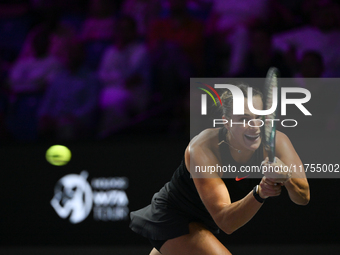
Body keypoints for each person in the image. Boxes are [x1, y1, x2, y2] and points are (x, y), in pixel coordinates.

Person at [130, 84, 310, 255]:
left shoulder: (278, 141)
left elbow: (303, 197)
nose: (255, 126)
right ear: (227, 122)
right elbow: (227, 222)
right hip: (174, 217)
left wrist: (287, 178)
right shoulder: (202, 148)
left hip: (204, 222)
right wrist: (260, 192)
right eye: (244, 119)